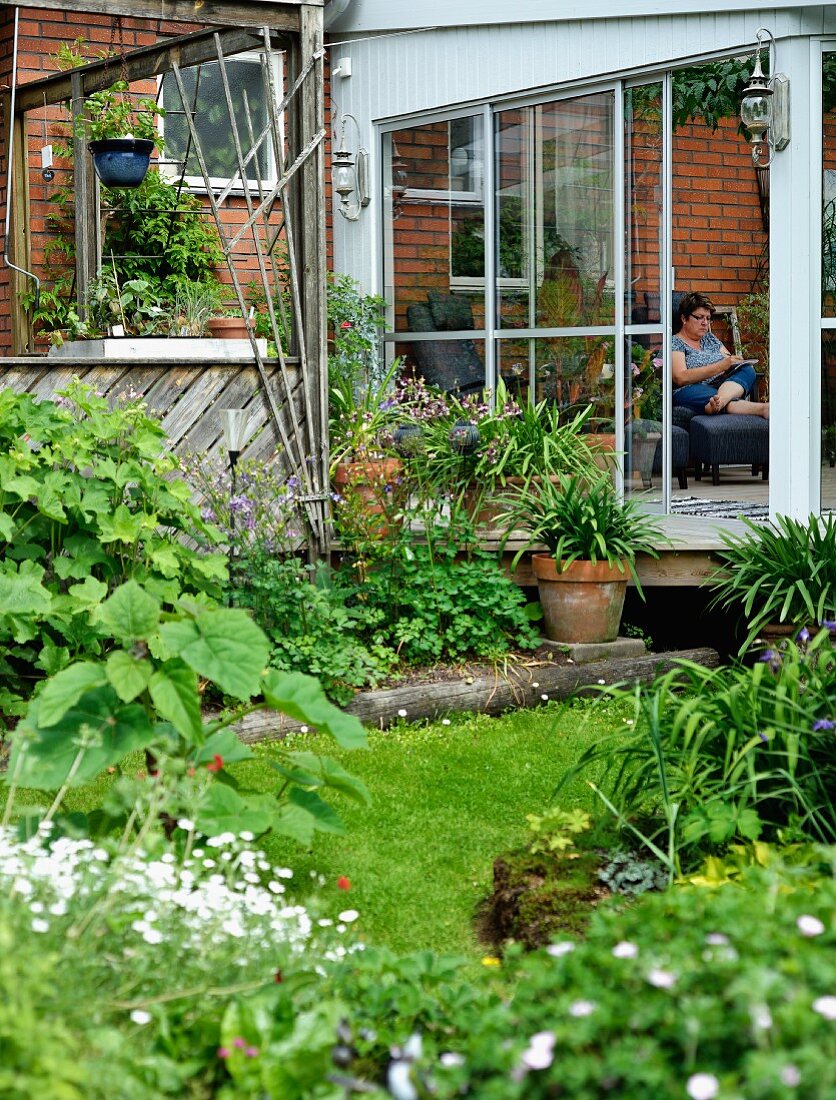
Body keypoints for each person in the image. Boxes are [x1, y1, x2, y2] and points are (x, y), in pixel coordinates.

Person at [672, 292, 769, 418]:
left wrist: (735, 363)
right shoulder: (675, 342)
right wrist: (721, 366)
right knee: (709, 394)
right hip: (693, 389)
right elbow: (680, 377)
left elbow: (728, 360)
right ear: (684, 318)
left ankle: (719, 402)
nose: (705, 323)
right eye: (700, 317)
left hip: (724, 386)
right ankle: (762, 408)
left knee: (747, 370)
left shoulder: (710, 338)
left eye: (707, 318)